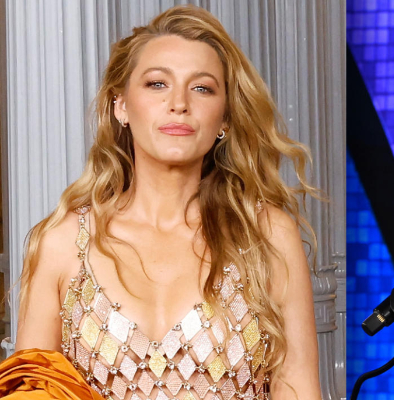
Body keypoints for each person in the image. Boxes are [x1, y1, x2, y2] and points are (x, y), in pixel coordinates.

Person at [0, 5, 321, 400]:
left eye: (202, 88)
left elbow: (299, 387)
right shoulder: (61, 244)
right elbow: (31, 392)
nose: (179, 103)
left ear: (225, 118)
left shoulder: (267, 236)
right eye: (157, 84)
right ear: (121, 105)